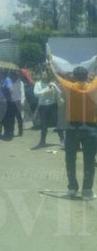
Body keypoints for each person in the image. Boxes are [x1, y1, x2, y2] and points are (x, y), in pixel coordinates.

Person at [48, 54, 97, 199]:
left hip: (72, 128)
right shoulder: (93, 86)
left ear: (74, 76)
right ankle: (87, 191)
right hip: (91, 128)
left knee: (70, 159)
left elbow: (55, 75)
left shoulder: (70, 87)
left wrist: (50, 62)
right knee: (89, 160)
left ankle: (72, 188)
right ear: (87, 76)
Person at [33, 72, 64, 148]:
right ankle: (42, 141)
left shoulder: (52, 84)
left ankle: (62, 140)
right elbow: (35, 93)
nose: (43, 76)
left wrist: (54, 86)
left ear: (48, 76)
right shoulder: (38, 84)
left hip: (53, 106)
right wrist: (44, 91)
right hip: (43, 106)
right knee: (44, 125)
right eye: (42, 75)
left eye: (45, 75)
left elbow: (59, 92)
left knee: (58, 123)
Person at [0, 70, 15, 140]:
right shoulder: (2, 80)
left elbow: (11, 90)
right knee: (4, 118)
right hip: (3, 103)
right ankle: (6, 132)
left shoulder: (7, 79)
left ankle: (10, 133)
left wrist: (7, 98)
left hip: (8, 102)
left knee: (9, 119)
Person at [10, 71, 25, 137]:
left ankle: (20, 130)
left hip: (18, 101)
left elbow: (22, 92)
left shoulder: (20, 83)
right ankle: (12, 131)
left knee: (19, 117)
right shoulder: (10, 83)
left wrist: (22, 101)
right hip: (11, 102)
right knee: (12, 118)